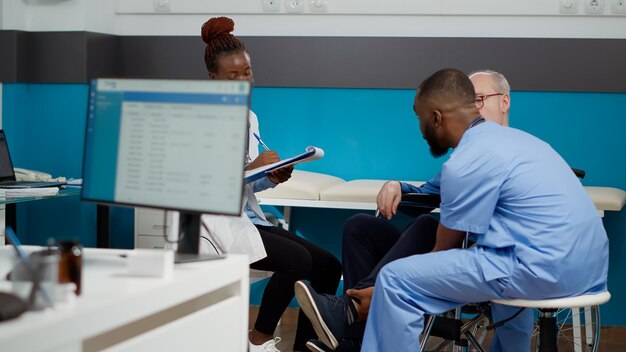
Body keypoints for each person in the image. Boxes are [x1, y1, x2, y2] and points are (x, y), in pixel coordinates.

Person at [302, 68, 609, 352]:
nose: (421, 130)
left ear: (435, 118)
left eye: (420, 119)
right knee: (499, 287)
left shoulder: (467, 159)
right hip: (589, 269)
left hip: (539, 269)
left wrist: (379, 292)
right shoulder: (526, 142)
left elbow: (440, 254)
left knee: (396, 280)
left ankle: (352, 313)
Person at [296, 70, 513, 351]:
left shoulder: (514, 151)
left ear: (504, 102)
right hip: (449, 250)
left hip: (485, 262)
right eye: (469, 100)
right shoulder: (465, 154)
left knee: (425, 226)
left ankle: (349, 312)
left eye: (480, 99)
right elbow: (428, 194)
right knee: (361, 227)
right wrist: (396, 186)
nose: (473, 108)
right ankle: (355, 335)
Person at [201, 16, 342, 352]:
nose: (243, 81)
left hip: (245, 218)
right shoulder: (200, 115)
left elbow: (247, 185)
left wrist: (270, 176)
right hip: (214, 224)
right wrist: (252, 167)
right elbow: (202, 186)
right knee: (297, 261)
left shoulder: (249, 117)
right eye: (232, 76)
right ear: (213, 78)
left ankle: (305, 346)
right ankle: (258, 340)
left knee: (329, 266)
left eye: (246, 72)